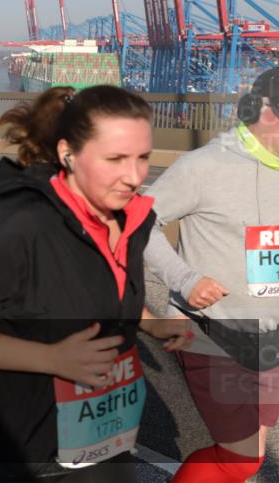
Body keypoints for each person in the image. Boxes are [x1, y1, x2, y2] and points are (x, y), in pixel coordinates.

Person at [0, 85, 193, 482]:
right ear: (67, 153)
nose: (134, 177)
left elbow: (99, 286)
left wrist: (149, 321)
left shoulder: (133, 219)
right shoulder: (20, 224)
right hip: (20, 453)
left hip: (102, 442)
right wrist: (53, 359)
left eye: (143, 158)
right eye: (115, 159)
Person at [143, 67, 279, 483]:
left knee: (251, 452)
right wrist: (185, 279)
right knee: (239, 458)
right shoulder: (204, 167)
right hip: (215, 332)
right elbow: (137, 224)